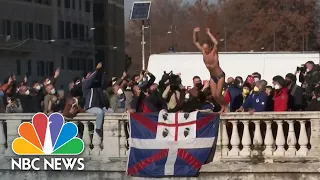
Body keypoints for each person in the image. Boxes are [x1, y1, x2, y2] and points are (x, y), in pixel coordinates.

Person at [193, 27, 228, 113]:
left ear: (210, 47)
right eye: (204, 49)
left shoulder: (214, 52)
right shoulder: (204, 52)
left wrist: (209, 33)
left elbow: (216, 43)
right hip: (212, 76)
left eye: (206, 48)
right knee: (214, 96)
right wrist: (195, 32)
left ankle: (226, 107)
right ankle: (222, 106)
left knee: (218, 94)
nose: (205, 50)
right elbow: (196, 41)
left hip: (220, 76)